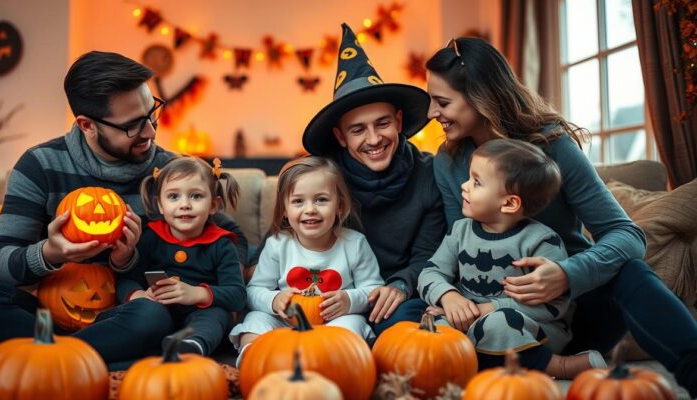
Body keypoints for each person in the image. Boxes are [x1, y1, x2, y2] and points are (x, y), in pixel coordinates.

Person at [426, 37, 697, 394]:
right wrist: (447, 298)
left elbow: (627, 235)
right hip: (494, 322)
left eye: (442, 102)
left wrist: (567, 275)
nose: (431, 113)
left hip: (571, 313)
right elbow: (457, 250)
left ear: (480, 96)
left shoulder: (551, 145)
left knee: (631, 272)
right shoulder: (448, 163)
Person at [0, 51, 247, 370]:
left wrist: (196, 283)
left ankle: (46, 358)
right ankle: (84, 359)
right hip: (51, 311)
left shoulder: (170, 174)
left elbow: (231, 237)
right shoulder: (39, 165)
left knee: (151, 316)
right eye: (132, 125)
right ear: (87, 125)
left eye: (151, 113)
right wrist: (50, 253)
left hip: (127, 314)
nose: (150, 132)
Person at [249, 23, 446, 336]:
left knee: (403, 325)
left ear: (398, 121)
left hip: (393, 292)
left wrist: (401, 284)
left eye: (382, 123)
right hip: (327, 298)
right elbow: (279, 240)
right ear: (341, 137)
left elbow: (429, 255)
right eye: (358, 130)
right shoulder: (323, 178)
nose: (374, 139)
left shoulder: (428, 174)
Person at [418, 138, 606, 378]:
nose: (464, 186)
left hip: (529, 328)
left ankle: (558, 365)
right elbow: (430, 272)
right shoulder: (459, 231)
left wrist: (489, 308)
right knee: (434, 328)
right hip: (471, 320)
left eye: (476, 182)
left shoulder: (542, 242)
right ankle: (471, 368)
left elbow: (553, 306)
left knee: (499, 323)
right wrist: (448, 296)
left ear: (509, 203)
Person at [231, 156, 384, 366]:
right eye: (298, 201)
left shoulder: (354, 244)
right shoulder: (277, 244)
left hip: (332, 322)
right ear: (285, 210)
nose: (310, 209)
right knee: (256, 320)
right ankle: (256, 361)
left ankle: (330, 363)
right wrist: (274, 301)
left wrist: (349, 300)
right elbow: (254, 290)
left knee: (352, 323)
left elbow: (374, 289)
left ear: (339, 206)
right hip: (286, 321)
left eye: (321, 200)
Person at [116, 156, 245, 357]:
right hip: (158, 314)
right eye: (174, 197)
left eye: (196, 196)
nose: (185, 204)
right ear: (160, 205)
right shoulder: (150, 237)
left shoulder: (222, 244)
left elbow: (237, 295)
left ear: (213, 205)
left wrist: (198, 294)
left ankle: (191, 345)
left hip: (202, 315)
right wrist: (138, 296)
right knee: (140, 314)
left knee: (216, 314)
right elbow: (127, 279)